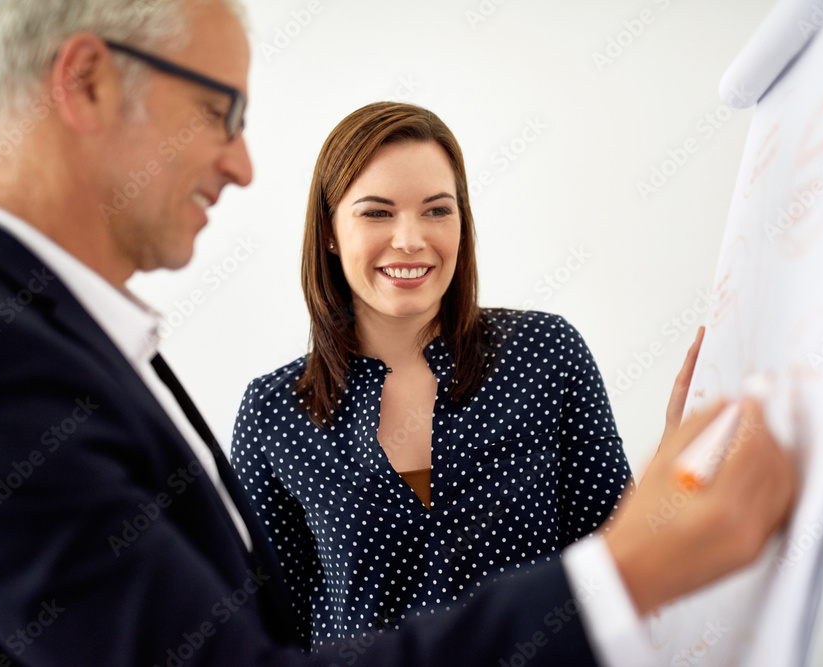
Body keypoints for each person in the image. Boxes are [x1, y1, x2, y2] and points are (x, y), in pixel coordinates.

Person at [0, 0, 796, 665]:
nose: (242, 161)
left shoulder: (64, 340)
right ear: (87, 81)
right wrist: (620, 576)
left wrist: (667, 503)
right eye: (219, 109)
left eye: (437, 210)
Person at [231, 101, 702, 646]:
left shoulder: (545, 353)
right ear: (330, 232)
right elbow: (264, 632)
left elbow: (617, 565)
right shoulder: (273, 412)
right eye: (377, 212)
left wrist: (673, 474)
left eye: (436, 210)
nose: (411, 239)